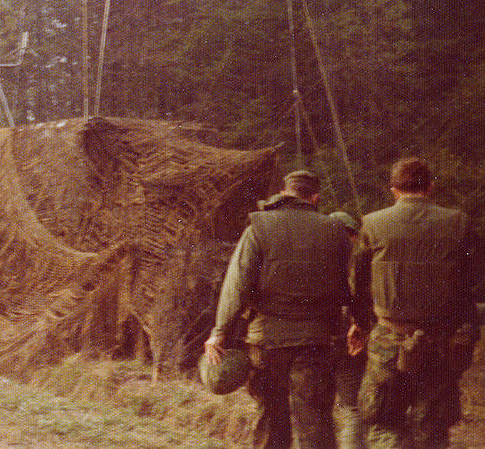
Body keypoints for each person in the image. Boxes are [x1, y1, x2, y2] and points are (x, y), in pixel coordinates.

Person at [204, 169, 352, 448]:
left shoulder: (258, 227)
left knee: (271, 419)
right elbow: (352, 284)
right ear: (315, 198)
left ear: (284, 193)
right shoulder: (336, 231)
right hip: (316, 341)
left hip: (267, 342)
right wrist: (359, 324)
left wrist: (219, 331)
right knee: (316, 421)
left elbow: (237, 284)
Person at [349, 157, 481, 447]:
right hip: (441, 339)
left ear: (394, 190)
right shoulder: (458, 222)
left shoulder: (372, 223)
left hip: (388, 337)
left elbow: (359, 285)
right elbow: (474, 280)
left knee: (383, 419)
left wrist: (359, 324)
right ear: (430, 186)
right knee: (432, 426)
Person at [328, 211, 366, 449]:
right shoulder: (362, 260)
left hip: (318, 339)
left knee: (314, 409)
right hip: (352, 342)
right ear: (353, 235)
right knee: (352, 407)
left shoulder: (314, 257)